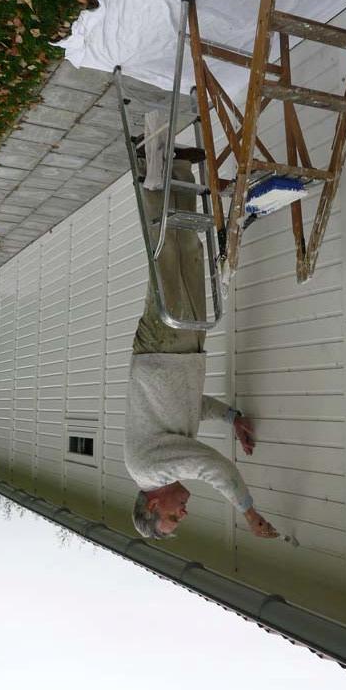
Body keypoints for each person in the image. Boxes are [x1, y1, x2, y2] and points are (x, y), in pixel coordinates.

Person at [124, 149, 278, 541]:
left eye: (174, 517)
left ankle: (152, 162)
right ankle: (177, 166)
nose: (184, 512)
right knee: (187, 251)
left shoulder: (149, 472)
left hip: (164, 349)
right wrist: (231, 418)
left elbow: (213, 467)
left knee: (166, 253)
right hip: (179, 355)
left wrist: (248, 512)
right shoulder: (161, 462)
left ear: (154, 504)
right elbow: (190, 405)